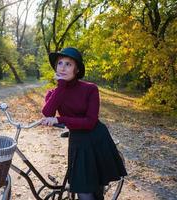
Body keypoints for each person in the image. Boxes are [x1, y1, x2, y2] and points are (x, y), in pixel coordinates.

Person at [41, 47, 127, 200]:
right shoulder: (54, 92)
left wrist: (60, 120)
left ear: (77, 69)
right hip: (78, 142)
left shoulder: (90, 89)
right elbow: (47, 113)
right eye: (60, 63)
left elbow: (90, 122)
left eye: (68, 64)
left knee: (97, 190)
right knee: (84, 191)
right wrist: (61, 86)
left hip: (96, 139)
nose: (62, 67)